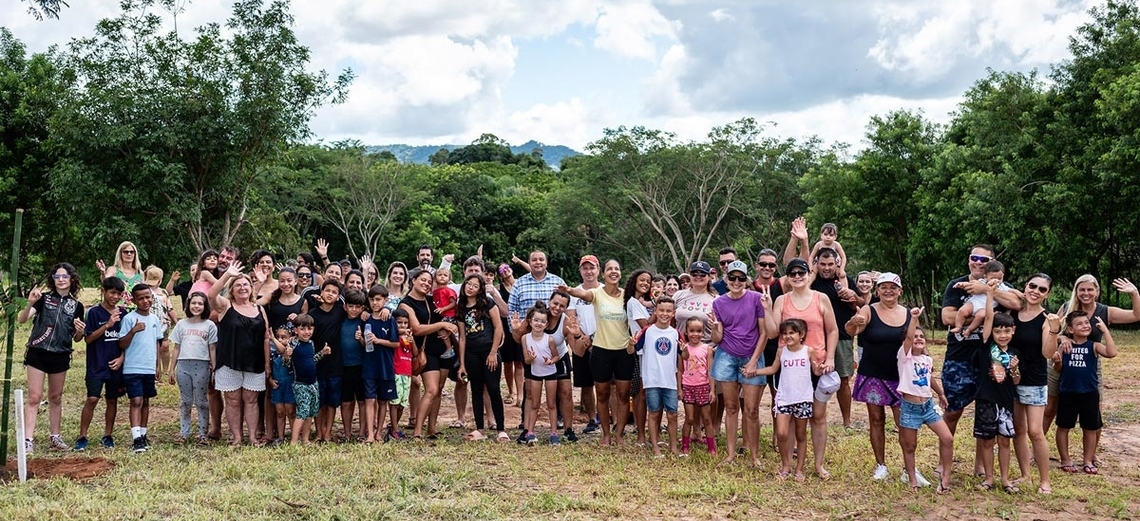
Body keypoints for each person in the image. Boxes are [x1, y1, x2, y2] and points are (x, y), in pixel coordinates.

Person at [939, 244, 1021, 476]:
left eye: (984, 259)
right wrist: (979, 318)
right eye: (974, 258)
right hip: (960, 357)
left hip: (991, 358)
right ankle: (943, 460)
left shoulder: (1001, 286)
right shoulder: (956, 285)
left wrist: (985, 290)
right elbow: (947, 316)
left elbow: (1017, 304)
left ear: (992, 264)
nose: (978, 262)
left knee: (985, 412)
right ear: (968, 260)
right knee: (953, 410)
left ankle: (981, 465)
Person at [763, 258, 839, 479]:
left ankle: (818, 465)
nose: (797, 276)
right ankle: (787, 466)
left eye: (801, 272)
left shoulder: (821, 298)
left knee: (818, 416)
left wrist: (831, 357)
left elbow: (832, 330)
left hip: (816, 363)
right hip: (788, 367)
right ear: (787, 276)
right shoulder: (782, 301)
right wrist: (768, 309)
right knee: (786, 419)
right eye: (792, 273)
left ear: (809, 273)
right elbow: (771, 333)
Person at [1047, 274, 1139, 457]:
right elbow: (1052, 330)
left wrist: (1134, 293)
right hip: (1061, 361)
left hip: (1089, 365)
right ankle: (1036, 450)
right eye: (1082, 289)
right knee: (1050, 409)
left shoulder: (1105, 311)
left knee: (1094, 411)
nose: (1086, 293)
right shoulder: (1067, 307)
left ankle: (1091, 456)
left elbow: (1136, 315)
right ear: (1076, 291)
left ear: (1097, 291)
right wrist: (1063, 337)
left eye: (1090, 289)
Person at [845, 272, 913, 483]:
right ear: (877, 291)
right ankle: (880, 465)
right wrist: (854, 321)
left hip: (900, 376)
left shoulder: (909, 314)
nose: (888, 291)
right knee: (876, 420)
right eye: (883, 287)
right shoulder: (869, 310)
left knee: (904, 422)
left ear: (900, 291)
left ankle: (908, 468)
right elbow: (850, 331)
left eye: (892, 287)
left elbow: (916, 343)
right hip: (872, 375)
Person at [558, 259, 633, 446]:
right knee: (602, 394)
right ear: (603, 273)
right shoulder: (596, 293)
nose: (613, 272)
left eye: (617, 268)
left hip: (623, 351)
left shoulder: (627, 296)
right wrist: (569, 291)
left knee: (623, 395)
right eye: (610, 269)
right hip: (601, 351)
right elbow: (582, 293)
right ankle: (606, 435)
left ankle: (619, 435)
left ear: (620, 273)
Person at [18, 262, 85, 453]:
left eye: (65, 276)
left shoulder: (77, 306)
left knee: (55, 397)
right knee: (34, 397)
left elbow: (77, 338)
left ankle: (55, 437)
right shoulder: (43, 298)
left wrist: (81, 331)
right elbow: (22, 319)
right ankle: (27, 440)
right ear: (53, 279)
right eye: (57, 277)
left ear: (72, 279)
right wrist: (30, 302)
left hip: (61, 354)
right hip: (38, 352)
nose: (61, 280)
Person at [709, 260, 767, 467]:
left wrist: (753, 362)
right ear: (726, 279)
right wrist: (715, 329)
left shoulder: (757, 299)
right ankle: (731, 455)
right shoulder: (718, 303)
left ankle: (754, 457)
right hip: (726, 357)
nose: (736, 281)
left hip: (752, 356)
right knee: (731, 407)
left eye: (740, 278)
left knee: (751, 410)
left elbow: (764, 333)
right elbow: (717, 338)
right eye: (732, 278)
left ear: (746, 280)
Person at [209, 262, 271, 447]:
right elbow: (211, 295)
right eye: (238, 285)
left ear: (251, 288)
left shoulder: (259, 309)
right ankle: (237, 437)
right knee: (233, 400)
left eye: (245, 285)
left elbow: (266, 337)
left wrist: (267, 364)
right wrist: (227, 274)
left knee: (251, 400)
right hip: (229, 361)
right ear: (232, 290)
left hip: (255, 362)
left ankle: (252, 437)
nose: (242, 287)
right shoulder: (225, 306)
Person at [1008, 274, 1060, 494]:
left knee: (1035, 431)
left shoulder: (1046, 319)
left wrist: (1055, 330)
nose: (1035, 291)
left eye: (1042, 289)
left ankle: (1045, 480)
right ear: (1025, 286)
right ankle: (1025, 475)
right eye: (1032, 286)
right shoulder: (1011, 313)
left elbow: (1047, 352)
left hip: (1034, 381)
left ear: (1046, 295)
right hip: (1012, 378)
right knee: (1018, 429)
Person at [1054, 311, 1116, 475]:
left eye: (1086, 323)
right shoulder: (1065, 345)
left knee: (1090, 428)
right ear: (1070, 329)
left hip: (1089, 393)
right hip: (1068, 392)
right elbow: (1057, 368)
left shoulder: (1093, 345)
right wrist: (1057, 360)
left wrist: (1105, 331)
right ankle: (1065, 459)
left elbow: (1112, 353)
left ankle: (1088, 460)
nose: (1085, 326)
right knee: (1063, 426)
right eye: (1079, 324)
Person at [754, 319, 817, 481]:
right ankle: (785, 465)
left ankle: (799, 469)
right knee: (781, 433)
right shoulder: (781, 352)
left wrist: (822, 368)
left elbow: (816, 370)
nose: (788, 336)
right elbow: (773, 369)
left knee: (801, 434)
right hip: (784, 398)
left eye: (792, 333)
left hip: (803, 398)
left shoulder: (808, 351)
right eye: (785, 333)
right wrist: (755, 371)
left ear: (801, 335)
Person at [809, 247, 864, 430]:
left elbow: (862, 304)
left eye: (830, 264)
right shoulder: (811, 282)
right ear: (816, 264)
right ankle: (811, 417)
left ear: (836, 264)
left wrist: (853, 296)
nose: (826, 268)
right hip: (814, 338)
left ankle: (846, 421)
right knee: (810, 379)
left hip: (841, 335)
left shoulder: (844, 281)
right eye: (822, 264)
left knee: (843, 379)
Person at [401, 268, 459, 439]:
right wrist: (442, 325)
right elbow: (417, 329)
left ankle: (432, 428)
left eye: (428, 281)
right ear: (413, 281)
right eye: (422, 280)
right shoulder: (406, 303)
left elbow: (448, 312)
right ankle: (418, 430)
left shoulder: (431, 299)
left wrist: (447, 329)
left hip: (442, 348)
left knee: (439, 389)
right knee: (431, 390)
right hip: (425, 351)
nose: (426, 284)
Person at [975, 286, 1021, 493]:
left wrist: (1014, 369)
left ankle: (1005, 479)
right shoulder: (986, 346)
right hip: (986, 399)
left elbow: (1017, 381)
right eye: (998, 331)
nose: (1002, 335)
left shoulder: (1015, 353)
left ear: (1013, 331)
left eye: (1006, 331)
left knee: (1004, 441)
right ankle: (989, 478)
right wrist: (990, 295)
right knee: (986, 441)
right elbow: (987, 319)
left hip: (1006, 402)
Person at [897, 329, 953, 493]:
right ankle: (912, 480)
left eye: (921, 336)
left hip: (928, 406)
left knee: (947, 438)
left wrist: (941, 393)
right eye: (915, 337)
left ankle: (945, 478)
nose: (919, 339)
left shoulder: (926, 359)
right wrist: (914, 318)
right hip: (910, 408)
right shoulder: (904, 357)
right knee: (910, 446)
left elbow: (928, 378)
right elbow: (908, 339)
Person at [76, 276, 125, 451]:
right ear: (103, 291)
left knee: (112, 400)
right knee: (92, 398)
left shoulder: (123, 313)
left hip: (115, 365)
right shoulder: (94, 313)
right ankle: (82, 436)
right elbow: (88, 339)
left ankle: (108, 435)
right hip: (96, 364)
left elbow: (126, 341)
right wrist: (108, 324)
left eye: (119, 294)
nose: (115, 297)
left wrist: (122, 358)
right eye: (112, 292)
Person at [456, 274, 507, 442]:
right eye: (468, 283)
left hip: (488, 351)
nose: (470, 287)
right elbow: (462, 337)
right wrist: (462, 363)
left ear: (480, 289)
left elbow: (498, 328)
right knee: (476, 390)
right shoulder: (461, 307)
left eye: (475, 285)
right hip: (471, 353)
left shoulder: (487, 303)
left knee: (493, 388)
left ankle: (501, 429)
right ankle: (479, 429)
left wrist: (493, 353)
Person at [672, 261, 720, 435]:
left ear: (709, 277)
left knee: (705, 389)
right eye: (695, 273)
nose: (698, 277)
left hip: (706, 349)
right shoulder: (679, 295)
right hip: (682, 349)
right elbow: (670, 319)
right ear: (689, 276)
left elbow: (720, 326)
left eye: (703, 274)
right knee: (687, 388)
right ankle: (692, 426)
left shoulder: (716, 299)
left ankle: (704, 428)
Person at [633, 297, 681, 458]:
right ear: (655, 311)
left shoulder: (675, 333)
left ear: (673, 313)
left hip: (670, 381)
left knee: (673, 414)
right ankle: (655, 448)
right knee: (653, 412)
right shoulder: (647, 331)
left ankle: (674, 447)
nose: (664, 314)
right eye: (661, 310)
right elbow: (631, 350)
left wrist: (686, 350)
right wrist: (631, 344)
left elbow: (684, 356)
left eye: (668, 311)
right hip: (652, 380)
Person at [169, 292, 217, 445]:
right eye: (194, 303)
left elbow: (212, 349)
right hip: (183, 365)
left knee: (201, 401)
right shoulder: (181, 324)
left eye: (200, 304)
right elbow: (176, 347)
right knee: (185, 401)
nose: (197, 306)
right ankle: (184, 433)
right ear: (188, 304)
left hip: (202, 365)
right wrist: (171, 368)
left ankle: (203, 434)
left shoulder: (209, 325)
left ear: (205, 306)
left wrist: (214, 369)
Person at [119, 283, 162, 453]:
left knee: (145, 401)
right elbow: (122, 343)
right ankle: (136, 437)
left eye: (148, 297)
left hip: (148, 367)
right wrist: (133, 331)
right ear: (134, 300)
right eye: (141, 298)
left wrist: (157, 365)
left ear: (152, 297)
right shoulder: (129, 319)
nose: (145, 301)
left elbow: (157, 343)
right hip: (132, 367)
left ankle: (143, 434)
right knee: (136, 400)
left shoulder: (155, 319)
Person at [565, 255, 601, 434]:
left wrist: (595, 338)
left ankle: (612, 419)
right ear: (580, 271)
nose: (589, 271)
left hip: (603, 342)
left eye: (592, 268)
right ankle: (592, 418)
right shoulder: (574, 293)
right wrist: (581, 339)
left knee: (606, 383)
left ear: (598, 270)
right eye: (585, 268)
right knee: (586, 385)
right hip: (581, 341)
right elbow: (572, 318)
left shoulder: (605, 290)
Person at [308, 279, 346, 442]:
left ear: (338, 297)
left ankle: (328, 431)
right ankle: (318, 432)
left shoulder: (340, 312)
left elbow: (357, 308)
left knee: (332, 402)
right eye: (327, 290)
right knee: (318, 402)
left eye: (334, 292)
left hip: (336, 365)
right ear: (321, 292)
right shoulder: (312, 315)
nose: (330, 294)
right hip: (316, 365)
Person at [282, 314, 328, 445]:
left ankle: (305, 439)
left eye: (309, 329)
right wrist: (286, 355)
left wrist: (322, 353)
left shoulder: (311, 343)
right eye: (302, 329)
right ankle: (294, 441)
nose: (306, 332)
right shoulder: (293, 343)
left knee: (310, 413)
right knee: (302, 412)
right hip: (300, 384)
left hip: (313, 383)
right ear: (296, 330)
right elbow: (286, 364)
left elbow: (312, 360)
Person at [363, 285, 400, 443]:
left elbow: (395, 343)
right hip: (369, 366)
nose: (375, 303)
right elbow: (363, 343)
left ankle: (379, 432)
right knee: (370, 399)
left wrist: (379, 341)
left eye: (378, 299)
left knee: (383, 400)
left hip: (385, 366)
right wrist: (360, 338)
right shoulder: (365, 319)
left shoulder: (389, 319)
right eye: (372, 299)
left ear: (386, 300)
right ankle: (370, 433)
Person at [624, 269, 654, 446]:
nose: (645, 283)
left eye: (648, 281)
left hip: (654, 352)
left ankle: (652, 435)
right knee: (640, 393)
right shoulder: (633, 303)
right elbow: (646, 326)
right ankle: (641, 434)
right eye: (642, 280)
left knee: (652, 393)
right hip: (641, 352)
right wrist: (659, 310)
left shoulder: (645, 303)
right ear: (634, 281)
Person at [678, 316, 715, 456]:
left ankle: (712, 447)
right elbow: (680, 370)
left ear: (703, 332)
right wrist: (680, 388)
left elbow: (710, 371)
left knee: (706, 419)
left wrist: (712, 390)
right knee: (690, 418)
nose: (695, 334)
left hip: (703, 386)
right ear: (686, 332)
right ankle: (685, 446)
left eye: (699, 331)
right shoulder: (683, 348)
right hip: (688, 386)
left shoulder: (707, 349)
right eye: (692, 331)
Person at [952, 260, 1016, 338]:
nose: (996, 280)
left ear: (1002, 276)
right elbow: (970, 284)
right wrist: (961, 284)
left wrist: (1021, 294)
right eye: (993, 278)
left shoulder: (1002, 286)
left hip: (984, 308)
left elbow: (1012, 291)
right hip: (973, 303)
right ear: (985, 276)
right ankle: (958, 327)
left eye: (999, 278)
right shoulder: (981, 282)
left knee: (980, 316)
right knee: (962, 311)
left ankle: (969, 330)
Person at [338, 289, 368, 441]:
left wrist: (361, 339)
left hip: (361, 366)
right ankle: (348, 433)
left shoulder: (364, 321)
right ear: (345, 307)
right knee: (346, 402)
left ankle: (362, 433)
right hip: (344, 367)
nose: (354, 310)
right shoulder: (340, 320)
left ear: (362, 308)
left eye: (358, 307)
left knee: (362, 401)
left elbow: (369, 346)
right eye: (351, 306)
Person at [143, 266, 176, 384]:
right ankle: (153, 372)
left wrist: (176, 321)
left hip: (163, 324)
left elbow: (170, 308)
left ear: (160, 280)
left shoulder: (163, 293)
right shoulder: (144, 291)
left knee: (165, 346)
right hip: (149, 324)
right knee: (152, 348)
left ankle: (166, 370)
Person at [497, 263, 524, 407]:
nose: (505, 270)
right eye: (501, 270)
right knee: (507, 363)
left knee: (519, 362)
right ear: (499, 275)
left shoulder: (521, 284)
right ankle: (510, 392)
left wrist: (519, 260)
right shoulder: (498, 289)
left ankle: (520, 394)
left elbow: (532, 270)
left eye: (507, 267)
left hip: (519, 326)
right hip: (505, 328)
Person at [267, 326, 295, 446]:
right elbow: (270, 369)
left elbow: (284, 350)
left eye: (283, 337)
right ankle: (280, 437)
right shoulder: (273, 353)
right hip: (277, 385)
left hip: (289, 384)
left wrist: (273, 338)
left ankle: (294, 435)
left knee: (290, 411)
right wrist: (270, 380)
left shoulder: (289, 351)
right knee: (279, 411)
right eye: (278, 337)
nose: (279, 339)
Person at [390, 309, 415, 439]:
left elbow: (415, 353)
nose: (403, 325)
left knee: (402, 404)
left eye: (405, 323)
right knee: (394, 402)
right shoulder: (393, 335)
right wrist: (400, 333)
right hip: (396, 372)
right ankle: (394, 429)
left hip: (407, 373)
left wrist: (412, 340)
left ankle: (394, 427)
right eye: (399, 323)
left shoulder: (408, 337)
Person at [100, 241, 143, 308]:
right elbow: (105, 282)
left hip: (137, 311)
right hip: (118, 309)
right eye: (126, 252)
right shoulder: (113, 270)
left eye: (132, 252)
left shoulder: (140, 273)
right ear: (120, 254)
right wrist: (103, 273)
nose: (129, 254)